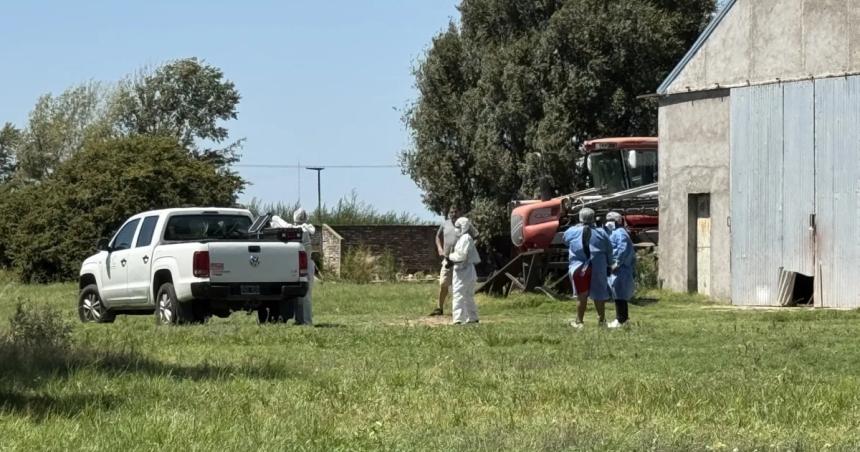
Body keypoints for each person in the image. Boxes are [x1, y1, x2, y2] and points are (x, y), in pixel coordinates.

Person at [562, 207, 613, 328]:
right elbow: (609, 250)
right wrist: (610, 264)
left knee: (581, 295)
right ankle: (602, 321)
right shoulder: (602, 232)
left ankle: (579, 322)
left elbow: (565, 240)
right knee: (599, 294)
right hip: (598, 267)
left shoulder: (571, 231)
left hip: (579, 267)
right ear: (593, 218)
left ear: (580, 218)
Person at [605, 211, 636, 328]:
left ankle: (621, 320)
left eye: (611, 220)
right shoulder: (614, 232)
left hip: (620, 268)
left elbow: (622, 249)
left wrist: (616, 263)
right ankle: (624, 319)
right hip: (618, 269)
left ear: (617, 221)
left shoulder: (620, 233)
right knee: (618, 294)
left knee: (620, 295)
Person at [448, 217, 481, 324]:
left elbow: (461, 256)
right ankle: (472, 318)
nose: (456, 229)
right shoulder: (463, 238)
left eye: (458, 227)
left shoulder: (465, 238)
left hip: (463, 271)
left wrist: (449, 257)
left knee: (458, 294)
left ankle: (458, 320)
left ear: (463, 227)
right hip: (466, 271)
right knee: (467, 296)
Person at [430, 206, 461, 316]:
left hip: (460, 260)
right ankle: (439, 308)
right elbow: (437, 236)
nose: (453, 214)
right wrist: (439, 248)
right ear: (449, 214)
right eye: (451, 212)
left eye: (456, 212)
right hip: (447, 259)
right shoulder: (445, 224)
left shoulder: (464, 224)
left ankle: (458, 310)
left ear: (459, 212)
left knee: (458, 286)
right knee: (443, 283)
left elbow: (476, 236)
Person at [291, 208, 316, 325]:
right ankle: (300, 320)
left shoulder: (303, 231)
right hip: (302, 265)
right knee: (300, 295)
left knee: (305, 296)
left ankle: (306, 321)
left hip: (303, 265)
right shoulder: (306, 229)